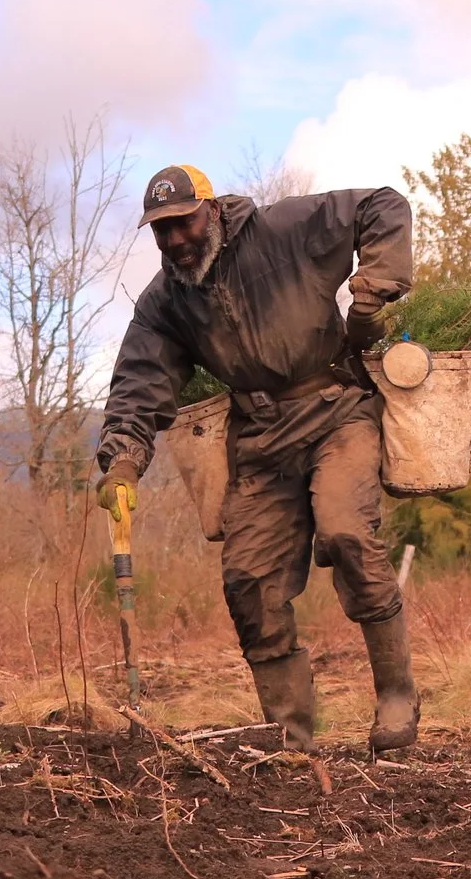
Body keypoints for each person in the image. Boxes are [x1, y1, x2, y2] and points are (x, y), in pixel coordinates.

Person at [94, 164, 419, 754]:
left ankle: (397, 694)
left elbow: (382, 202)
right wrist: (122, 461)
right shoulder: (165, 302)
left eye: (182, 223)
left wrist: (376, 283)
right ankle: (291, 736)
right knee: (249, 581)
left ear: (211, 209)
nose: (174, 240)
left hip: (335, 411)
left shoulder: (284, 229)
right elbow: (139, 385)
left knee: (346, 533)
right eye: (160, 231)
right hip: (259, 439)